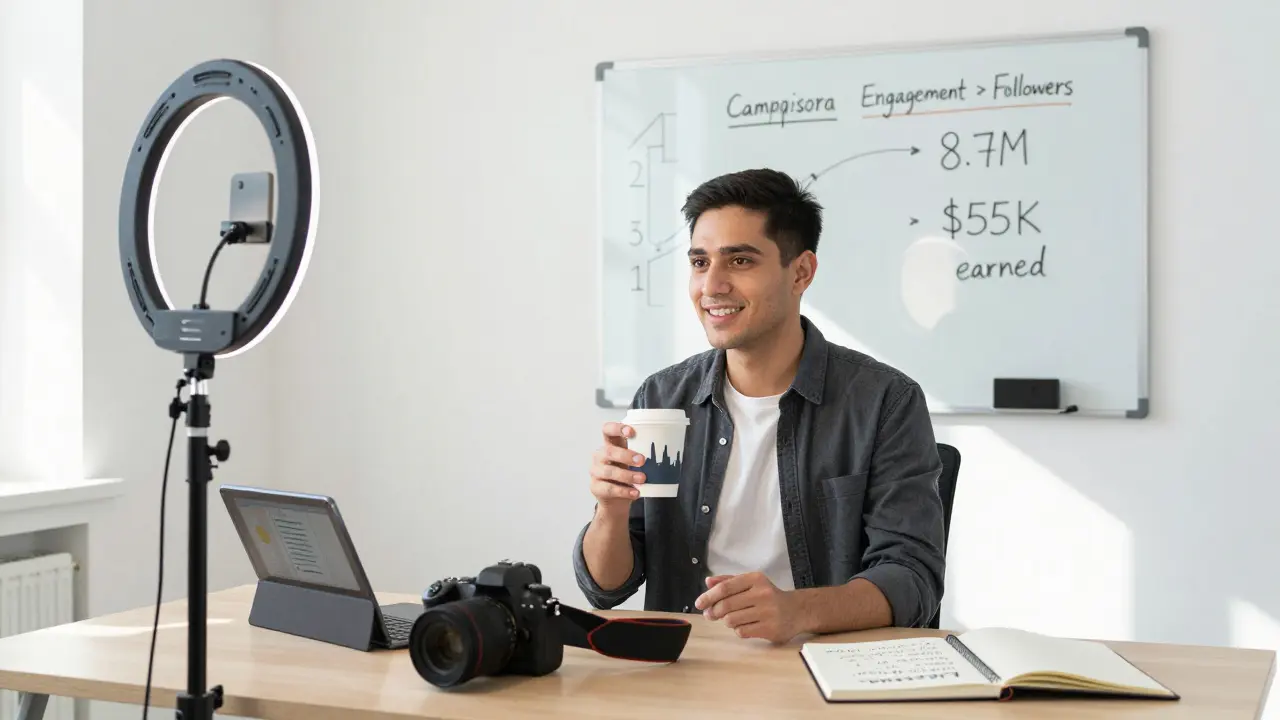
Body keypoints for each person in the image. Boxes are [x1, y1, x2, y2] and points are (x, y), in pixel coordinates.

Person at [571, 168, 946, 644]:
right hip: (685, 668)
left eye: (740, 261)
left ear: (802, 272)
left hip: (821, 669)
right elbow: (607, 588)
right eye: (700, 262)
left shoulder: (884, 402)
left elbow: (912, 579)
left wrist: (796, 611)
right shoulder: (664, 399)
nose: (712, 286)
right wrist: (610, 511)